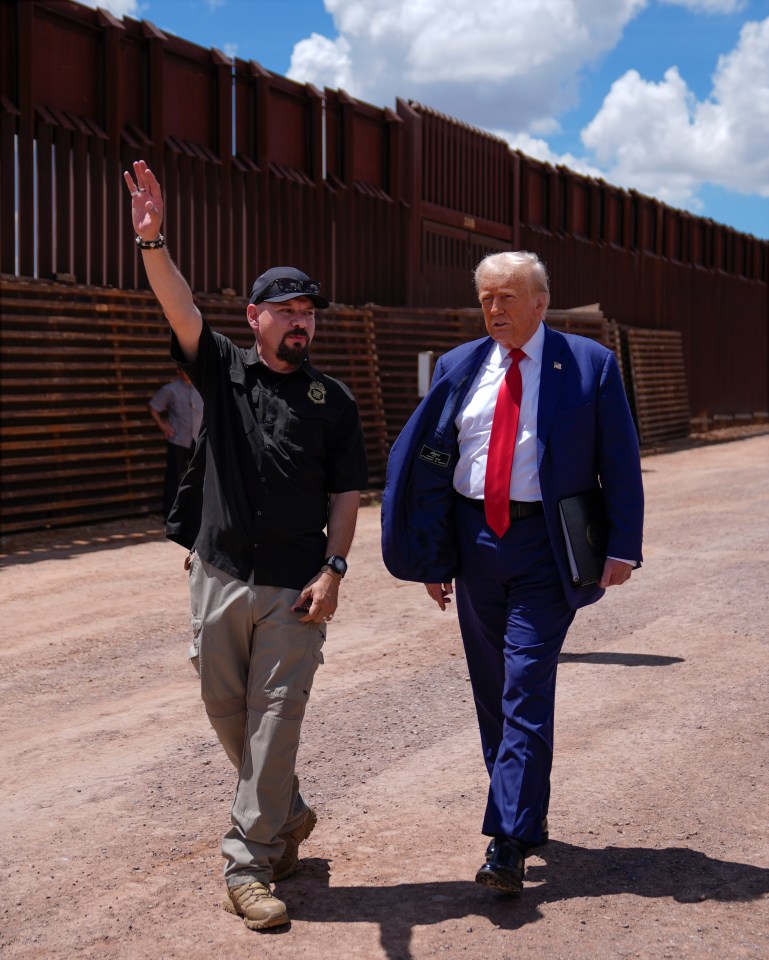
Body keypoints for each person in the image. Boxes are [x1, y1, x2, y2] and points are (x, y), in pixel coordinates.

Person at [124, 159, 368, 931]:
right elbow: (179, 305)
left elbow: (346, 492)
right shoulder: (223, 370)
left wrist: (334, 570)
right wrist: (153, 240)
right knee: (225, 708)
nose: (302, 321)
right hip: (221, 575)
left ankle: (250, 862)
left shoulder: (334, 401)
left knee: (274, 720)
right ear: (256, 318)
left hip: (297, 587)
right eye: (288, 310)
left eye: (310, 312)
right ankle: (285, 811)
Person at [381, 251, 643, 895]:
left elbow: (621, 461)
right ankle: (526, 814)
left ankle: (505, 840)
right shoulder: (458, 366)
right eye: (486, 299)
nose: (495, 310)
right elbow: (436, 467)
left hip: (546, 545)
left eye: (507, 298)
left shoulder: (590, 365)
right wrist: (432, 556)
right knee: (493, 687)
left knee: (526, 682)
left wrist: (624, 546)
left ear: (541, 302)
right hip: (474, 543)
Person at [148, 366, 203, 519]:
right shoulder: (170, 390)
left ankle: (196, 512)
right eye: (184, 370)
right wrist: (162, 425)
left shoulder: (202, 387)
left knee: (199, 476)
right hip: (179, 439)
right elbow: (153, 407)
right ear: (178, 371)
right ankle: (170, 514)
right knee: (174, 476)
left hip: (198, 439)